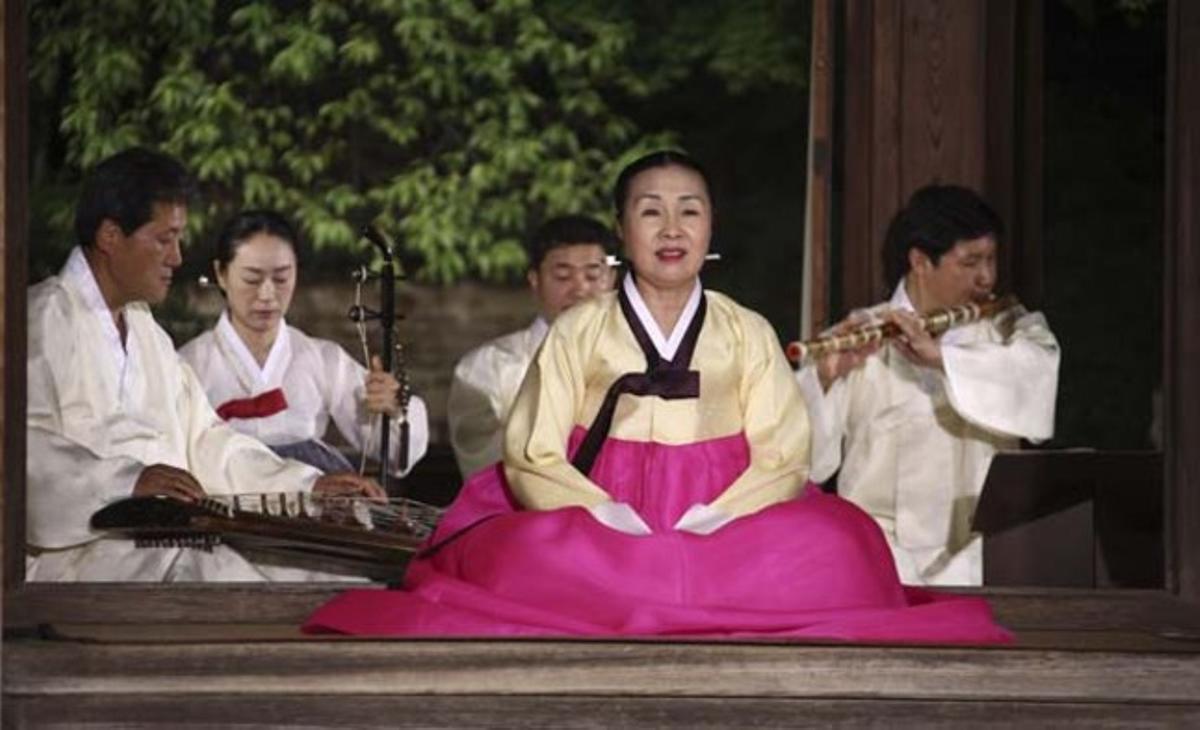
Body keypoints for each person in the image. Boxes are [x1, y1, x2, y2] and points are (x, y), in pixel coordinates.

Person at [305, 151, 1010, 643]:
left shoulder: (746, 329)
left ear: (710, 227)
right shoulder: (581, 328)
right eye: (651, 212)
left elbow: (784, 451)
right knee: (517, 554)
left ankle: (665, 581)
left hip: (728, 512)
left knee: (837, 545)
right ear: (622, 228)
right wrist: (602, 511)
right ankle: (646, 576)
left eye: (689, 211)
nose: (671, 229)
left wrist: (718, 515)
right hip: (598, 507)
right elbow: (531, 452)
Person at [26, 148, 384, 582]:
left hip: (170, 534)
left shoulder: (148, 335)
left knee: (326, 571)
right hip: (83, 551)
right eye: (164, 239)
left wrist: (306, 488)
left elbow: (208, 441)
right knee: (219, 574)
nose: (176, 257)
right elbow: (24, 450)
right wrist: (127, 483)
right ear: (110, 236)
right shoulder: (40, 319)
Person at [795, 184, 1061, 586]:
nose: (986, 277)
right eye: (970, 262)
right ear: (921, 261)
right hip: (881, 555)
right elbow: (806, 461)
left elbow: (1039, 371)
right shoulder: (861, 332)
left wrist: (943, 360)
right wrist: (826, 377)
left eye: (991, 259)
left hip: (981, 554)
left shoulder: (1009, 329)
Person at [178, 210, 429, 476]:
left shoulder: (323, 359)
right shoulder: (189, 364)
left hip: (308, 505)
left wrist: (393, 410)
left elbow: (396, 458)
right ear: (221, 274)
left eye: (281, 278)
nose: (267, 294)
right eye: (251, 279)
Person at [447, 214, 615, 478]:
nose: (580, 289)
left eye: (593, 276)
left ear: (612, 280)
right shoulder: (487, 367)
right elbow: (483, 467)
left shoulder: (638, 362)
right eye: (563, 276)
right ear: (535, 280)